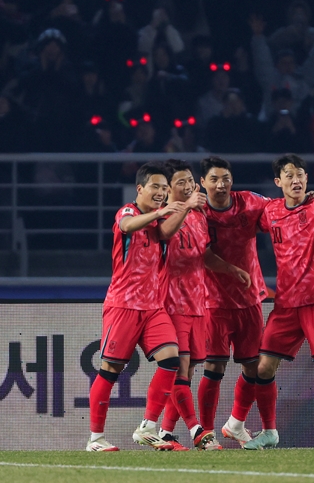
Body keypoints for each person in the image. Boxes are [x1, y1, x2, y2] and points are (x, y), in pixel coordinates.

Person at [86, 161, 203, 452]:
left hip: (153, 307)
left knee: (171, 360)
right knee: (110, 370)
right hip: (123, 306)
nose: (162, 192)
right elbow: (125, 225)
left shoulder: (157, 222)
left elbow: (165, 233)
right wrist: (161, 211)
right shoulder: (129, 211)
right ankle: (96, 439)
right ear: (140, 189)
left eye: (165, 188)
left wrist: (185, 207)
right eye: (156, 186)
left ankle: (148, 427)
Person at [243, 153, 314, 450]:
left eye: (300, 174)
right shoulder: (270, 211)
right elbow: (247, 221)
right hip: (286, 303)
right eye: (289, 175)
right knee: (263, 368)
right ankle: (269, 432)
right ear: (278, 182)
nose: (296, 179)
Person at [157, 159, 250, 451]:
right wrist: (184, 206)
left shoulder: (198, 215)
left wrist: (231, 269)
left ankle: (165, 433)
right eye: (180, 182)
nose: (188, 187)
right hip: (171, 302)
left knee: (188, 370)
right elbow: (165, 236)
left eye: (189, 181)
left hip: (198, 303)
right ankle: (199, 433)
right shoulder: (162, 214)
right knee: (179, 368)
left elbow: (204, 254)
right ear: (168, 188)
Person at [198, 156, 270, 446]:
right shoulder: (197, 212)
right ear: (202, 183)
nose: (220, 184)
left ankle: (236, 423)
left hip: (250, 300)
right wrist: (231, 269)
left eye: (225, 178)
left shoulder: (250, 203)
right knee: (214, 368)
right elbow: (200, 255)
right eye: (214, 179)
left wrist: (308, 201)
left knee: (254, 368)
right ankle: (205, 432)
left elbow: (281, 211)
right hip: (213, 302)